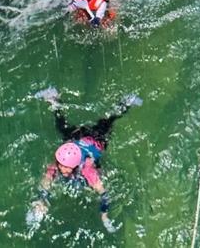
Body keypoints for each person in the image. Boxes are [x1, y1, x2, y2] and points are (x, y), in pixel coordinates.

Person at [28, 90, 143, 233]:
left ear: (75, 165)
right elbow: (46, 180)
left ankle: (125, 102)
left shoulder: (88, 169)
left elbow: (104, 193)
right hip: (74, 139)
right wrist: (41, 199)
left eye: (66, 167)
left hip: (95, 139)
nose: (61, 169)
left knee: (107, 122)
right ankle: (53, 98)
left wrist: (104, 215)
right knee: (61, 127)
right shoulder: (60, 162)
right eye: (60, 165)